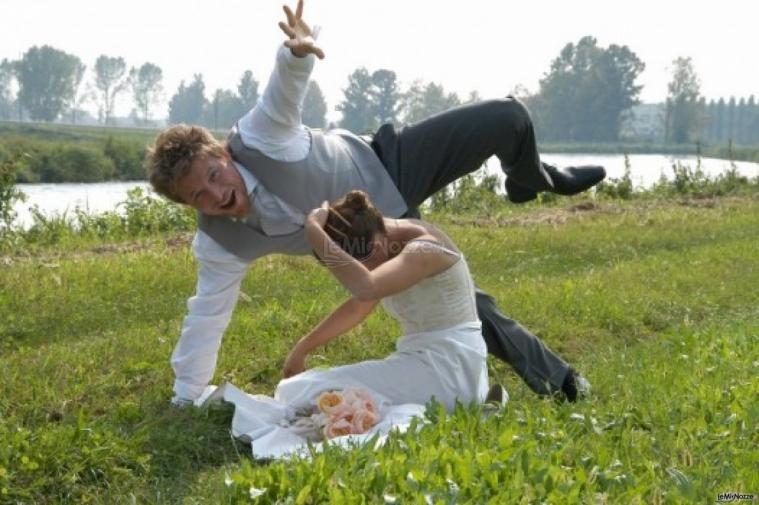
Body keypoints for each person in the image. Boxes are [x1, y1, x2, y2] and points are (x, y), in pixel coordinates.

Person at [145, 0, 601, 407]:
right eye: (198, 196)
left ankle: (529, 180)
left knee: (507, 117)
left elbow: (281, 94)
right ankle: (562, 383)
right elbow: (206, 312)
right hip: (375, 232)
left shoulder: (259, 137)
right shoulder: (218, 241)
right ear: (188, 205)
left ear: (222, 153)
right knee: (468, 306)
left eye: (213, 175)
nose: (216, 195)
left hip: (387, 163)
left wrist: (296, 53)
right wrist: (187, 395)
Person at [275, 190, 490, 413]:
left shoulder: (423, 250)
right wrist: (302, 348)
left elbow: (366, 288)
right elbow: (357, 308)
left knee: (299, 391)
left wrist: (313, 230)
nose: (364, 271)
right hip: (433, 365)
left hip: (449, 371)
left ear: (377, 245)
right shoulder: (390, 241)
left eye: (361, 264)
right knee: (306, 389)